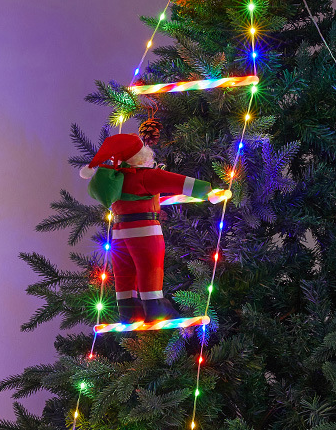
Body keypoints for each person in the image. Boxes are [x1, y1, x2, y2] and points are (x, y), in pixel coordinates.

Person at [80, 132, 228, 324]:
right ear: (141, 155)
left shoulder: (115, 180)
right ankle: (155, 308)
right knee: (149, 267)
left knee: (124, 271)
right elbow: (177, 182)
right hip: (144, 230)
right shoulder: (146, 176)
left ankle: (128, 311)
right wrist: (208, 192)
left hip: (119, 233)